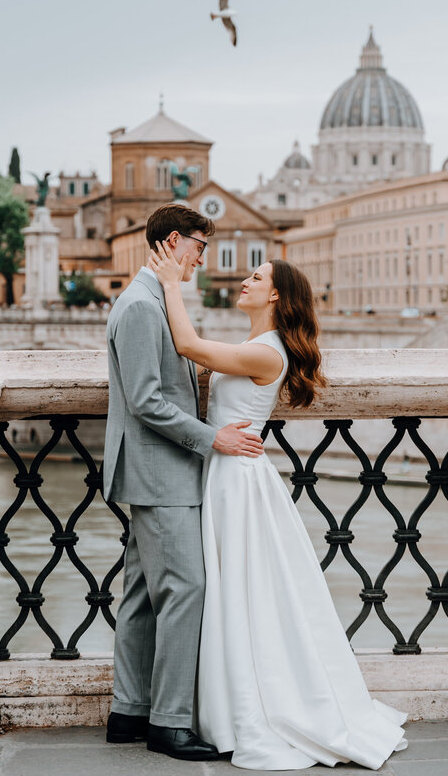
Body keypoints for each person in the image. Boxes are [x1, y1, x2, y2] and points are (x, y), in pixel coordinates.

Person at [147, 243, 409, 770]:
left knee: (242, 590)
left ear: (277, 296)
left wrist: (172, 284)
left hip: (238, 479)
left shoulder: (266, 352)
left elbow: (186, 343)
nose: (245, 281)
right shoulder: (257, 343)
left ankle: (245, 706)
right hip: (229, 472)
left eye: (256, 276)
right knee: (239, 588)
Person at [103, 203, 265, 762]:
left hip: (154, 468)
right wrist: (210, 438)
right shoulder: (144, 307)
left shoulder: (147, 299)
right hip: (162, 470)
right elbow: (147, 400)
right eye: (199, 246)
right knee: (185, 589)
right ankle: (168, 723)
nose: (203, 257)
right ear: (175, 242)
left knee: (145, 595)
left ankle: (129, 711)